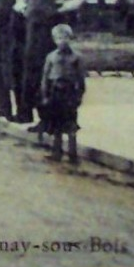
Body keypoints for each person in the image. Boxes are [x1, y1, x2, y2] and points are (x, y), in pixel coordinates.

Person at [14, 0, 85, 128]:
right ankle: (41, 118)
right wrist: (24, 9)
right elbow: (19, 1)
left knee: (56, 74)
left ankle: (59, 120)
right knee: (36, 74)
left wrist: (63, 8)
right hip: (34, 33)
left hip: (53, 32)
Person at [39, 23, 87, 163]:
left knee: (71, 123)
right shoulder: (51, 57)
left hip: (70, 91)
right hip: (55, 91)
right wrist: (45, 95)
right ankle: (56, 152)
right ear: (54, 40)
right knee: (57, 124)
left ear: (70, 38)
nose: (62, 41)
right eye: (59, 38)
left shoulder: (77, 57)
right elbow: (45, 77)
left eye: (65, 37)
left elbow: (81, 78)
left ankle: (73, 153)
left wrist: (79, 96)